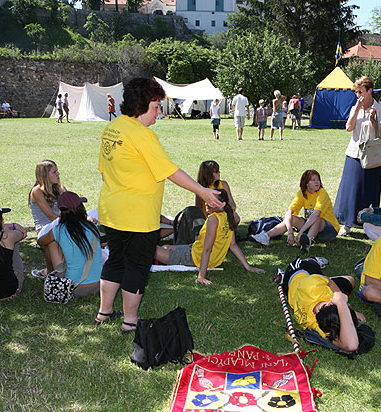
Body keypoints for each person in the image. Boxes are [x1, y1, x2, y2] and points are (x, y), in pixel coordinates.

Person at [95, 77, 223, 330]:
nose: (158, 112)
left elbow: (104, 169)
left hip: (111, 210)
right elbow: (170, 171)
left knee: (116, 260)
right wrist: (203, 192)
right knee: (137, 266)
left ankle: (104, 313)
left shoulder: (113, 127)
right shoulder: (143, 135)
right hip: (137, 216)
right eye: (155, 106)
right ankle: (130, 322)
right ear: (141, 105)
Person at [155, 189, 262, 285]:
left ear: (222, 204)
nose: (206, 203)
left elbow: (207, 249)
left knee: (149, 249)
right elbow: (233, 245)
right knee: (166, 247)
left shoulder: (213, 219)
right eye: (207, 199)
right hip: (198, 251)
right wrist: (248, 267)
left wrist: (201, 276)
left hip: (195, 258)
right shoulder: (228, 216)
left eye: (211, 201)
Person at [334, 76, 381, 236]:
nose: (358, 95)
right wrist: (357, 109)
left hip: (373, 155)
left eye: (360, 92)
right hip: (354, 153)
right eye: (356, 92)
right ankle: (347, 223)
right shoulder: (355, 108)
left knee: (369, 189)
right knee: (351, 189)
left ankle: (368, 223)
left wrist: (373, 121)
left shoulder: (380, 109)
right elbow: (349, 128)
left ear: (369, 91)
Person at [275, 257, 365, 352]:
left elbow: (329, 282)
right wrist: (345, 307)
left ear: (331, 303)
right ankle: (315, 261)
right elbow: (350, 344)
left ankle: (312, 263)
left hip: (295, 273)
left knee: (348, 280)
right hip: (302, 284)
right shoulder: (318, 326)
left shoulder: (312, 285)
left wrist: (342, 302)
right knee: (350, 281)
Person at [251, 169, 340, 254]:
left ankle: (306, 242)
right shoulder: (302, 193)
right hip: (312, 227)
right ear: (306, 183)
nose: (317, 182)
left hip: (329, 230)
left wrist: (301, 232)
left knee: (317, 218)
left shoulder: (322, 193)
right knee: (290, 218)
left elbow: (316, 215)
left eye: (318, 179)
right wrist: (290, 232)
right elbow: (288, 212)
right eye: (313, 180)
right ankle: (265, 236)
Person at [37, 192, 102, 298]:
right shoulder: (92, 227)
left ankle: (50, 273)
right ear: (80, 208)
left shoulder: (59, 230)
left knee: (51, 243)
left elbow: (41, 241)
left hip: (73, 289)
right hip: (98, 285)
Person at [29, 159, 67, 277]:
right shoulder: (37, 191)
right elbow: (50, 215)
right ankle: (51, 272)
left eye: (57, 171)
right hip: (45, 229)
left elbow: (71, 206)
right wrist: (70, 221)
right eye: (54, 172)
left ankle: (50, 272)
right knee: (54, 238)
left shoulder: (59, 188)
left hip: (59, 223)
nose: (58, 174)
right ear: (45, 175)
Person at [195, 160, 240, 224]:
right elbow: (198, 208)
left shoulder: (223, 184)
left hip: (223, 217)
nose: (219, 172)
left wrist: (232, 211)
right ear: (208, 174)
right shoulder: (200, 188)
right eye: (216, 171)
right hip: (208, 220)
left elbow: (232, 203)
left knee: (236, 218)